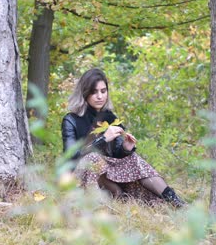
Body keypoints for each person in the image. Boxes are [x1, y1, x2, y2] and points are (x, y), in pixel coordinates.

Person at [61, 68, 187, 208]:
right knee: (94, 158)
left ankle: (175, 201)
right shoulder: (71, 119)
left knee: (134, 160)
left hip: (109, 176)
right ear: (85, 93)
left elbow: (116, 156)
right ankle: (98, 206)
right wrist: (103, 140)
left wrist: (125, 149)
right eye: (94, 92)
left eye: (103, 91)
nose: (100, 96)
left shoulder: (110, 117)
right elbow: (71, 157)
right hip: (80, 176)